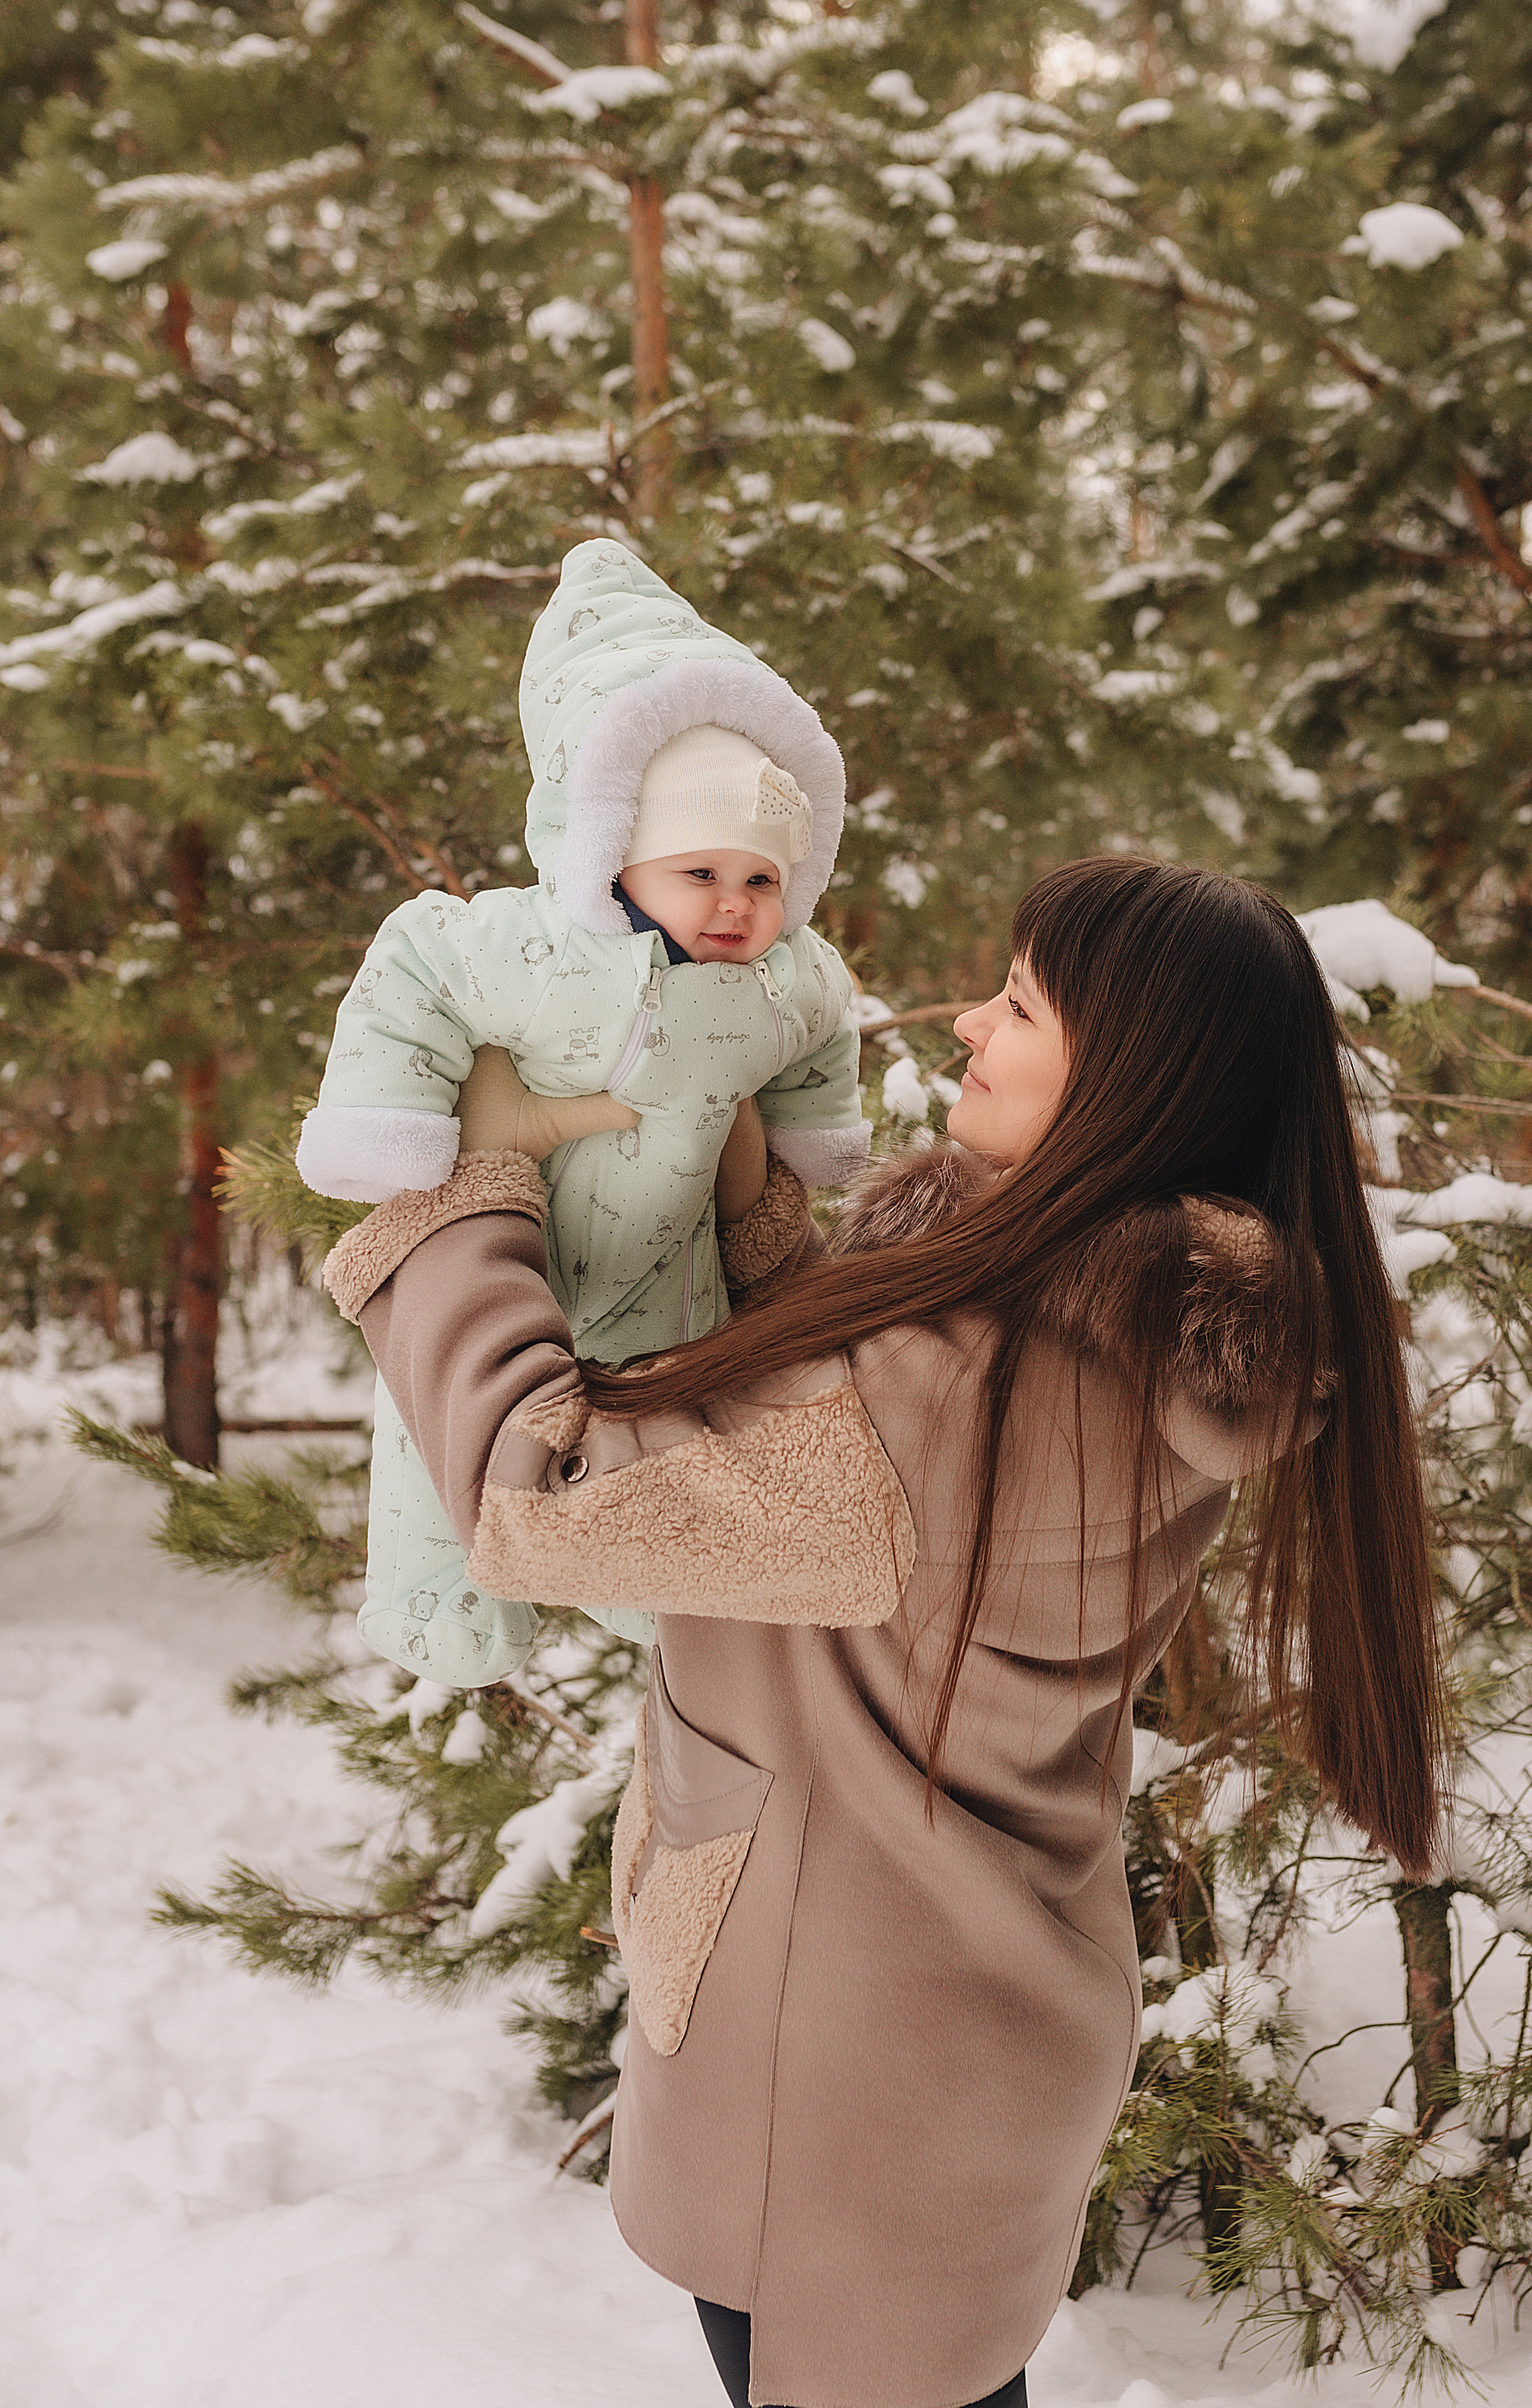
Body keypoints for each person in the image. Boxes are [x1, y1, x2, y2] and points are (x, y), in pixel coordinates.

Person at [320, 856, 1445, 2408]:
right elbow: (862, 1515)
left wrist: (465, 1190)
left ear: (1124, 1077)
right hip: (949, 2025)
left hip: (845, 2067)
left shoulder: (966, 1378)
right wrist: (770, 1238)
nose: (973, 1023)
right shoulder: (1120, 1339)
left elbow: (545, 1489)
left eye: (1022, 1003)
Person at [295, 537, 868, 1685]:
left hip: (675, 1268)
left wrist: (808, 1138)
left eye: (762, 878)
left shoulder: (787, 975)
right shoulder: (536, 950)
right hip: (519, 1252)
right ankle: (437, 1597)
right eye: (697, 871)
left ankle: (645, 1583)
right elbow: (416, 961)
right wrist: (389, 1117)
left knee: (665, 1416)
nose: (733, 904)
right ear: (615, 854)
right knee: (438, 1425)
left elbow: (822, 1027)